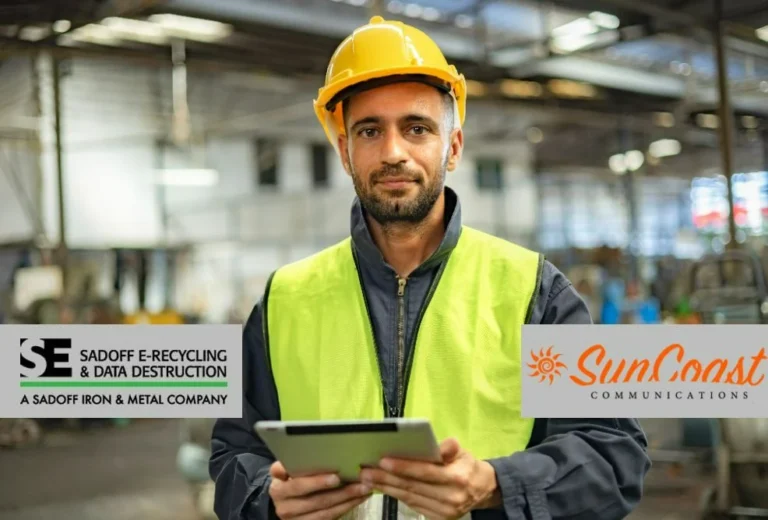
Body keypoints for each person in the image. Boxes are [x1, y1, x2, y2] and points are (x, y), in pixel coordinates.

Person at [209, 15, 651, 520]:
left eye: (416, 128)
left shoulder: (534, 291)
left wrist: (497, 484)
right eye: (369, 130)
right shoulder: (285, 299)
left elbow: (614, 457)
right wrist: (267, 498)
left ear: (454, 146)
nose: (393, 152)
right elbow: (231, 457)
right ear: (344, 151)